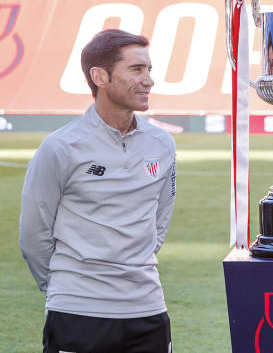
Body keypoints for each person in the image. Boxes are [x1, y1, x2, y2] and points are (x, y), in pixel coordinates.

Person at [19, 29, 176, 353]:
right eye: (136, 69)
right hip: (78, 310)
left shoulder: (162, 144)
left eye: (149, 70)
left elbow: (159, 222)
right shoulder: (60, 147)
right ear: (100, 76)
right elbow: (34, 233)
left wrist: (133, 266)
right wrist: (66, 285)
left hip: (147, 309)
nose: (148, 81)